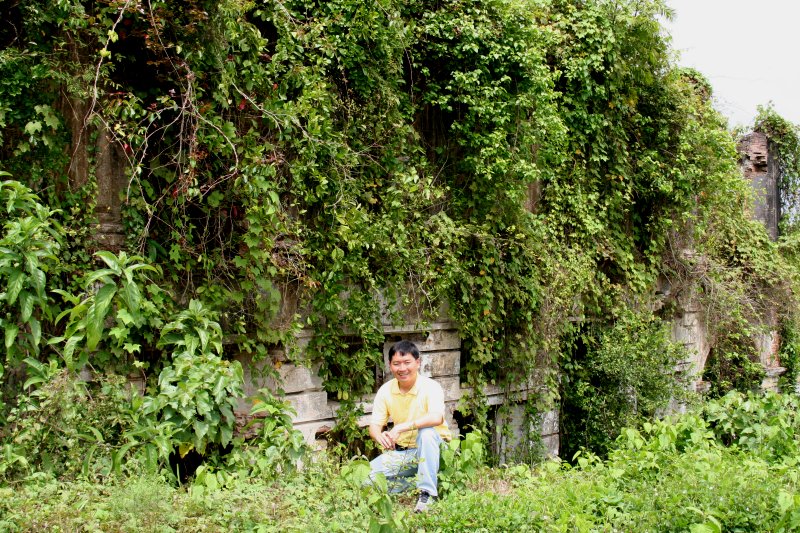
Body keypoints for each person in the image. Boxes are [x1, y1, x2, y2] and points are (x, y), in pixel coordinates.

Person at [368, 340, 452, 513]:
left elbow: (436, 417)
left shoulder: (431, 387)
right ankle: (412, 483)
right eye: (396, 364)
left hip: (434, 451)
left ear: (418, 363)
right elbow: (374, 426)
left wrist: (401, 427)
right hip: (405, 453)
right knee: (366, 478)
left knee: (427, 433)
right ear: (390, 366)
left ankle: (426, 493)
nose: (402, 368)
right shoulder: (385, 390)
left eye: (407, 362)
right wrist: (379, 436)